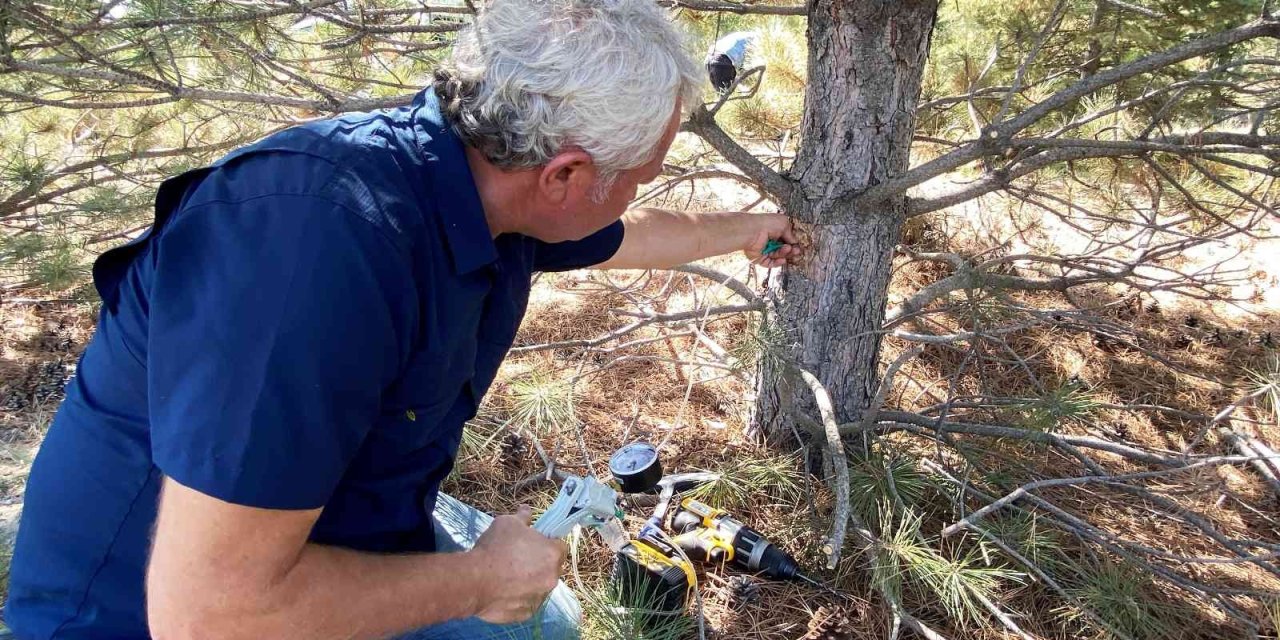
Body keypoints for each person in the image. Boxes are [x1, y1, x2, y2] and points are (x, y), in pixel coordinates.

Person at [4, 0, 798, 638]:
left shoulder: (490, 186)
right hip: (148, 612)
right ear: (565, 175)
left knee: (543, 625)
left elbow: (632, 232)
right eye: (639, 176)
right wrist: (482, 579)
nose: (636, 195)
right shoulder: (313, 257)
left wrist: (746, 230)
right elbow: (210, 616)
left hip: (327, 527)